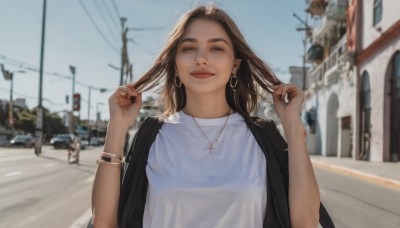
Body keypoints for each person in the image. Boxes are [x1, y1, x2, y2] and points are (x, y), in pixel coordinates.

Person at [91, 5, 327, 228]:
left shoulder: (262, 137)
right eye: (188, 48)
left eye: (216, 48)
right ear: (175, 65)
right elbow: (104, 223)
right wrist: (117, 126)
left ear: (234, 66)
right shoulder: (153, 135)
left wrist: (292, 124)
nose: (201, 58)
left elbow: (306, 223)